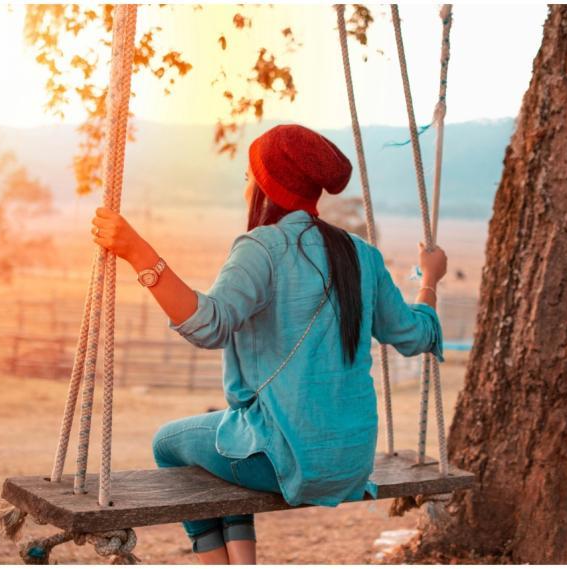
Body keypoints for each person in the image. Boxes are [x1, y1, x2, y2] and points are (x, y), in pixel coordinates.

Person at [91, 123, 447, 564]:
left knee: (169, 443)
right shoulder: (361, 253)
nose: (245, 185)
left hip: (288, 461)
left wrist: (137, 252)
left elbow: (208, 326)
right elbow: (415, 335)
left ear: (265, 186)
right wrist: (429, 279)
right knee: (233, 435)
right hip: (352, 463)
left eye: (248, 176)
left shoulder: (262, 247)